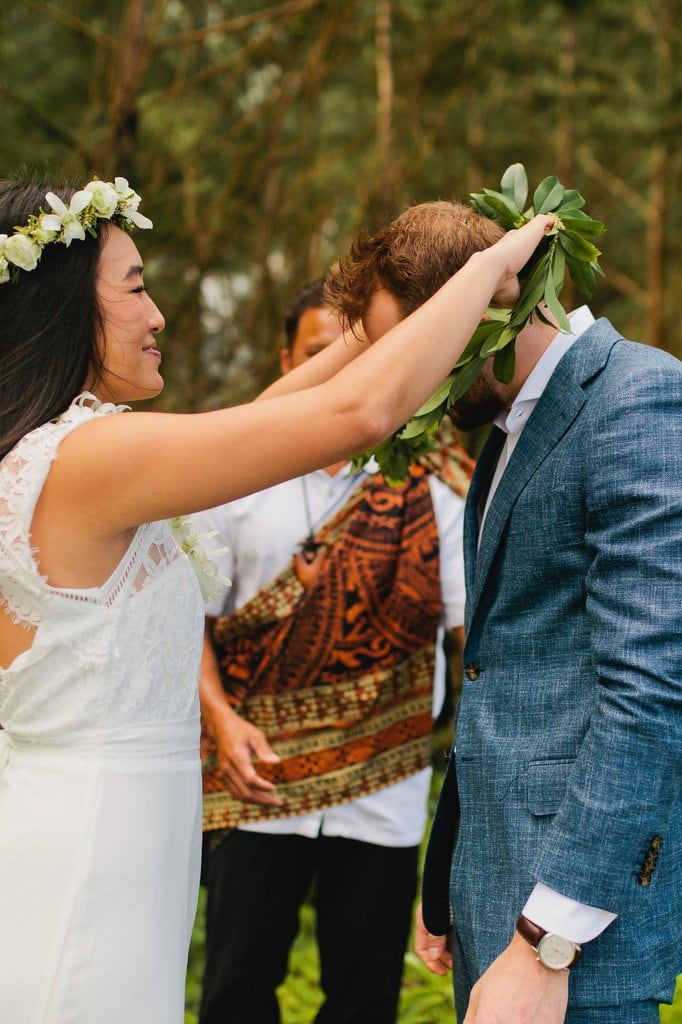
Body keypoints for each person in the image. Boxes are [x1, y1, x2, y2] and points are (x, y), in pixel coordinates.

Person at [0, 177, 553, 1024]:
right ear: (62, 306)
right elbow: (359, 411)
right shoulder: (83, 460)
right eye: (138, 289)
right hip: (88, 845)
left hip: (122, 837)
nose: (158, 318)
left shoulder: (76, 456)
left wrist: (386, 317)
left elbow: (269, 414)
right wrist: (491, 268)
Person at [324, 198, 682, 1024]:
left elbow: (653, 696)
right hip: (499, 897)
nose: (406, 379)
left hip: (571, 943)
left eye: (417, 346)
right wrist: (451, 876)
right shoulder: (505, 436)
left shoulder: (638, 398)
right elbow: (502, 672)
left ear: (487, 306)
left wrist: (545, 941)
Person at [194, 276, 472, 1024]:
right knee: (235, 989)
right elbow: (189, 620)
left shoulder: (436, 485)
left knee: (363, 994)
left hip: (384, 782)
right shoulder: (232, 477)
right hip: (253, 778)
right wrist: (220, 721)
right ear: (289, 359)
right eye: (322, 353)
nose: (344, 372)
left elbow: (472, 638)